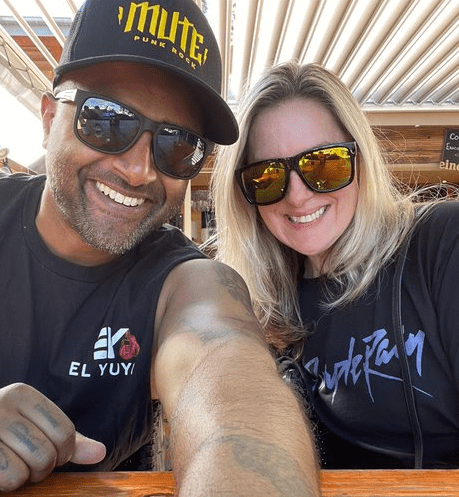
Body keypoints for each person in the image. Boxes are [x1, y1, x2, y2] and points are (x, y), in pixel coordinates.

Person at [0, 1, 321, 494]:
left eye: (178, 144)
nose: (139, 170)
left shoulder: (186, 280)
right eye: (106, 120)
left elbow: (233, 391)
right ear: (48, 119)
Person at [211, 60, 459, 470]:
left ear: (360, 161)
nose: (297, 196)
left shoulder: (441, 243)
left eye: (324, 164)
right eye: (267, 176)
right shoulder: (262, 312)